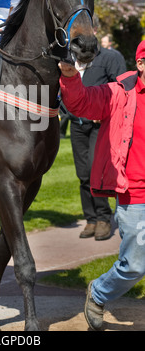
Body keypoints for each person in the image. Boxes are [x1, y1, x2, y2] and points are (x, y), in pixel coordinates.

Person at [59, 40, 145, 331]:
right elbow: (81, 102)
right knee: (134, 265)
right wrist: (71, 78)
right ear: (141, 64)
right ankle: (99, 292)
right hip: (135, 193)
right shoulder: (120, 93)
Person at [67, 45, 126, 240]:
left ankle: (103, 218)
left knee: (95, 169)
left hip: (98, 125)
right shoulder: (70, 59)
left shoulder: (109, 57)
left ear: (95, 30)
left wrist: (108, 111)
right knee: (82, 173)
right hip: (77, 124)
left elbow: (122, 87)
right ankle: (90, 219)